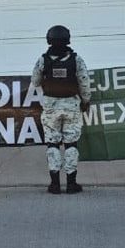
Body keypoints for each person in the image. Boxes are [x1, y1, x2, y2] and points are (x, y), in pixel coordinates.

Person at [32, 25, 92, 194]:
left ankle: (55, 184)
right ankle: (71, 184)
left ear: (49, 40)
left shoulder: (43, 60)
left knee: (53, 144)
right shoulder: (76, 59)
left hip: (51, 107)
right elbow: (84, 82)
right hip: (71, 106)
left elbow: (35, 81)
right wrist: (86, 101)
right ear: (68, 40)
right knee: (71, 144)